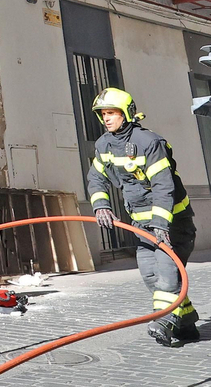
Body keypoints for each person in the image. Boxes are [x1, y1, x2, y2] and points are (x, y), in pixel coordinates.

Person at [84, 87, 199, 346]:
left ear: (126, 113)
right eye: (103, 114)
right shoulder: (104, 145)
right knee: (150, 275)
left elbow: (163, 185)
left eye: (112, 113)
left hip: (173, 225)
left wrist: (161, 224)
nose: (106, 119)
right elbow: (95, 178)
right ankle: (187, 321)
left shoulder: (149, 142)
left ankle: (164, 323)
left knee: (168, 276)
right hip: (141, 226)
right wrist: (101, 206)